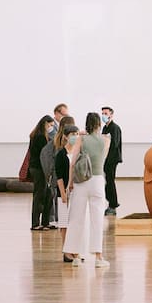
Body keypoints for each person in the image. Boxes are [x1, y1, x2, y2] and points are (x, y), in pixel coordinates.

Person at [66, 112, 111, 268]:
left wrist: (69, 183)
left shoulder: (80, 139)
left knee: (76, 218)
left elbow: (73, 162)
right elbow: (103, 158)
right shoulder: (105, 140)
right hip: (97, 180)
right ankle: (99, 257)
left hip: (81, 180)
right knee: (97, 219)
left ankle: (76, 256)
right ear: (99, 124)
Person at [53, 118, 77, 260]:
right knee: (64, 222)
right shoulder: (61, 154)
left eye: (76, 134)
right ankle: (66, 251)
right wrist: (62, 192)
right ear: (66, 136)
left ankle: (74, 249)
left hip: (76, 191)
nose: (74, 137)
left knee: (74, 221)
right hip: (64, 192)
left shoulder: (78, 152)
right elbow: (59, 175)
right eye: (72, 134)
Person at [27, 115, 55, 231]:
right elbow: (44, 156)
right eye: (50, 125)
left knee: (48, 194)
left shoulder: (39, 135)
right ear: (45, 123)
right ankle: (35, 223)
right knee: (39, 195)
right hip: (39, 169)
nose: (51, 128)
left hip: (40, 168)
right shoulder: (40, 137)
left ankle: (45, 222)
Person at [101, 106, 123, 215]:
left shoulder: (115, 128)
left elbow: (114, 145)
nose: (103, 115)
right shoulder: (105, 128)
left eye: (106, 113)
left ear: (111, 115)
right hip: (105, 159)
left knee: (110, 181)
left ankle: (113, 205)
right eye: (103, 113)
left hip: (112, 159)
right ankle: (110, 203)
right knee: (107, 181)